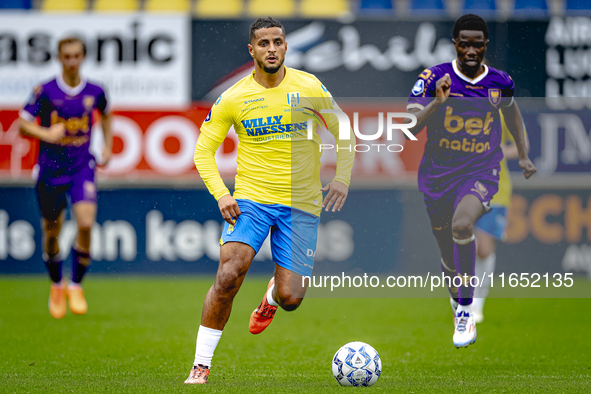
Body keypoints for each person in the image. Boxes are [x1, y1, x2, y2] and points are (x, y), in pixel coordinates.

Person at [185, 17, 354, 384]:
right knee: (229, 275)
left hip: (302, 203)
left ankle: (272, 298)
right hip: (251, 200)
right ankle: (201, 365)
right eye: (264, 43)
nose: (272, 48)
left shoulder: (308, 86)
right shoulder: (234, 97)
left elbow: (343, 128)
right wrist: (222, 194)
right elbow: (203, 152)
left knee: (292, 297)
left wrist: (342, 177)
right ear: (252, 50)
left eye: (278, 41)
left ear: (286, 46)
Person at [406, 14, 536, 348]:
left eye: (477, 43)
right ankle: (458, 299)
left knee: (463, 225)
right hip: (437, 177)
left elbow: (512, 114)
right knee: (449, 259)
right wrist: (437, 103)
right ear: (455, 44)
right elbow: (408, 126)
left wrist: (522, 155)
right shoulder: (434, 77)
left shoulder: (499, 81)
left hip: (481, 171)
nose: (471, 49)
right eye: (464, 43)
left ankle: (465, 310)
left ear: (485, 45)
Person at [19, 36, 112, 319]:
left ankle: (75, 285)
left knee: (85, 225)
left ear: (83, 57)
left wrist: (107, 145)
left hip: (82, 167)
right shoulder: (45, 91)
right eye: (67, 56)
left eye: (76, 56)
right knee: (52, 233)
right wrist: (46, 133)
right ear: (60, 58)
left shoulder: (95, 90)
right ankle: (57, 284)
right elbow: (23, 123)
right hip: (50, 170)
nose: (72, 61)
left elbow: (106, 115)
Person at [472, 115, 529, 323]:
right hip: (460, 186)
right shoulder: (455, 108)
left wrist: (499, 151)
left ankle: (477, 302)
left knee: (483, 249)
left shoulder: (503, 110)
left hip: (495, 189)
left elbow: (522, 145)